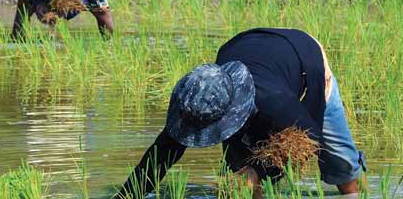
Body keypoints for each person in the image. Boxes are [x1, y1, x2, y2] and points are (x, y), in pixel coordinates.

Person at [115, 28, 366, 199]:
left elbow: (308, 141)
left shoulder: (276, 102)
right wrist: (127, 195)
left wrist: (257, 171)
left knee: (342, 168)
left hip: (306, 62)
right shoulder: (198, 100)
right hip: (252, 49)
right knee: (237, 185)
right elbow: (160, 156)